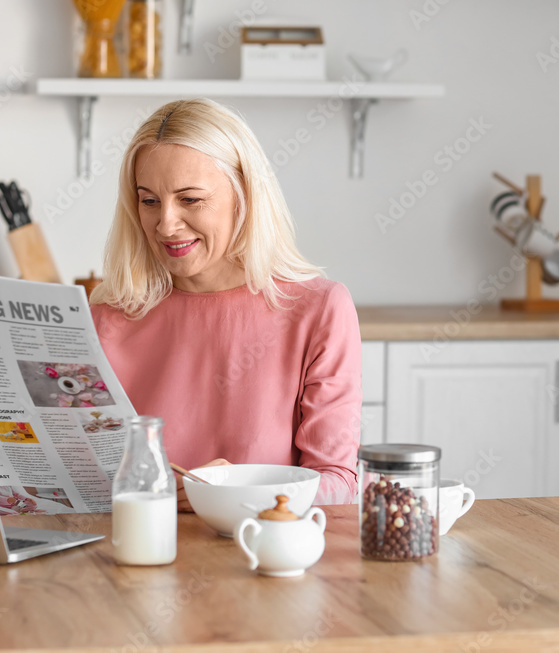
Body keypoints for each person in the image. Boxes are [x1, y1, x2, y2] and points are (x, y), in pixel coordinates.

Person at [90, 99, 362, 507]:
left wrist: (231, 495)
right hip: (136, 553)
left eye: (191, 200)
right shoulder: (108, 316)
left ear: (244, 196)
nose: (165, 223)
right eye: (149, 201)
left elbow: (338, 481)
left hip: (258, 553)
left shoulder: (319, 310)